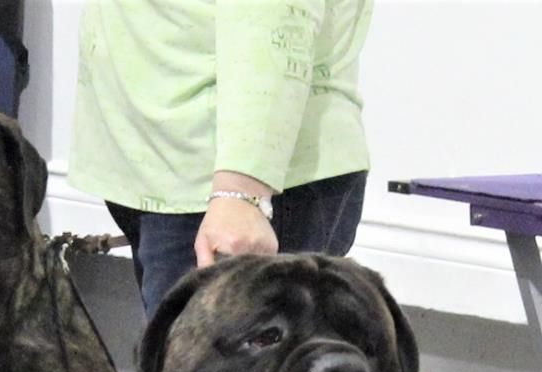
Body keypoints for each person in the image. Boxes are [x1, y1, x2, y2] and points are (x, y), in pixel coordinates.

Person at [69, 0, 373, 317]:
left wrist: (243, 192)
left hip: (230, 189)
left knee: (221, 347)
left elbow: (275, 17)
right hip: (174, 174)